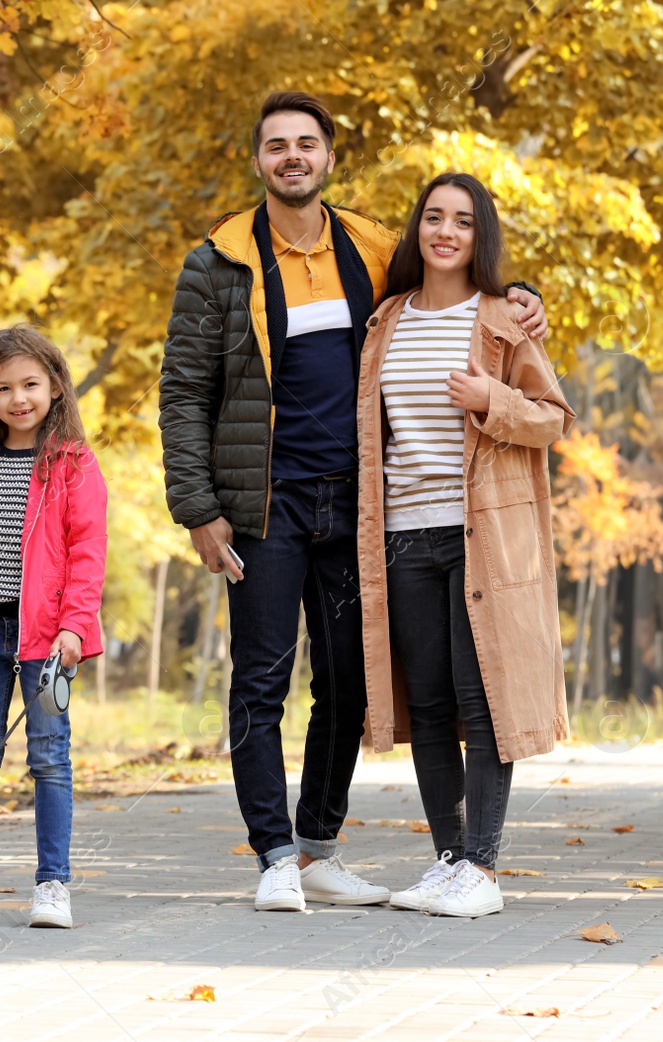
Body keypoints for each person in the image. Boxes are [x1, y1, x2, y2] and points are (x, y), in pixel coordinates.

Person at [159, 91, 549, 913]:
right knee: (260, 681)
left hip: (359, 508)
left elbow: (450, 281)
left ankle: (316, 849)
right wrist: (197, 508)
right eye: (277, 145)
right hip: (262, 507)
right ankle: (270, 854)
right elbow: (184, 391)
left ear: (329, 157)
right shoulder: (218, 261)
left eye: (307, 143)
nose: (292, 156)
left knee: (348, 686)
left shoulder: (370, 246)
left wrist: (521, 291)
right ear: (259, 159)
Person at [355, 172, 574, 917]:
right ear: (417, 229)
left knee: (484, 705)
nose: (445, 231)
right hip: (403, 537)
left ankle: (481, 870)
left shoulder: (503, 318)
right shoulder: (386, 319)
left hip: (482, 535)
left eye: (463, 221)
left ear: (481, 237)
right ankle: (447, 862)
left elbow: (551, 418)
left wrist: (493, 401)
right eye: (433, 217)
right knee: (431, 703)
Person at [0, 325, 108, 930]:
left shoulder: (74, 464)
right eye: (3, 387)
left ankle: (52, 884)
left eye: (30, 384)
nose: (18, 398)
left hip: (49, 636)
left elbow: (87, 552)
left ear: (55, 386)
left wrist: (75, 628)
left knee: (50, 757)